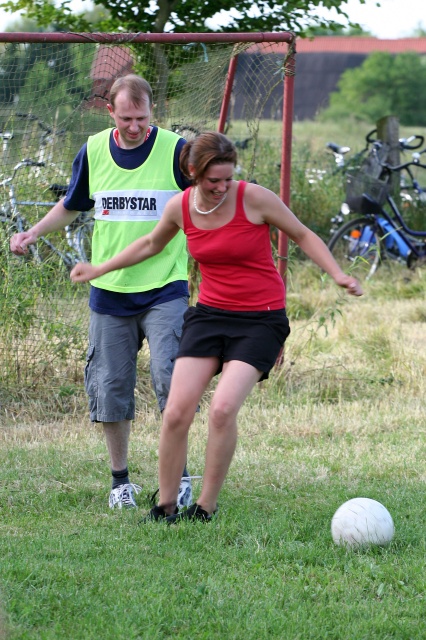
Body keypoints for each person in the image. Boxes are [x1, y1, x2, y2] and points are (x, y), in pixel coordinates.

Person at [70, 131, 363, 523]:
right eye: (214, 180)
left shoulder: (253, 198)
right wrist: (99, 268)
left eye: (228, 178)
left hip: (260, 318)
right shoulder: (181, 207)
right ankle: (165, 506)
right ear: (193, 171)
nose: (223, 187)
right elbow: (151, 244)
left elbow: (302, 234)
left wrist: (338, 274)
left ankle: (204, 507)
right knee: (177, 411)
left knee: (223, 409)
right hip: (209, 316)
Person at [9, 74, 195, 511]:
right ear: (110, 112)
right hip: (109, 291)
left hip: (165, 287)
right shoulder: (93, 151)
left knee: (171, 380)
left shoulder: (176, 151)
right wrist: (32, 233)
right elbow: (71, 205)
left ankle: (181, 479)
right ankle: (120, 483)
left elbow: (205, 202)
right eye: (126, 118)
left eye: (142, 118)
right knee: (110, 389)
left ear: (152, 111)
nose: (135, 126)